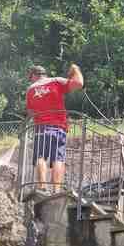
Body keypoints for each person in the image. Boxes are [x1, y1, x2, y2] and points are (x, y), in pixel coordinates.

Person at [25, 62, 84, 192]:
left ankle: (42, 187)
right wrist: (76, 69)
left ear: (34, 75)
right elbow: (79, 84)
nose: (30, 80)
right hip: (58, 128)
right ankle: (56, 190)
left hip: (40, 129)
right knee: (58, 158)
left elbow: (30, 112)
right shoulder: (56, 81)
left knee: (40, 157)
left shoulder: (30, 89)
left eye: (30, 77)